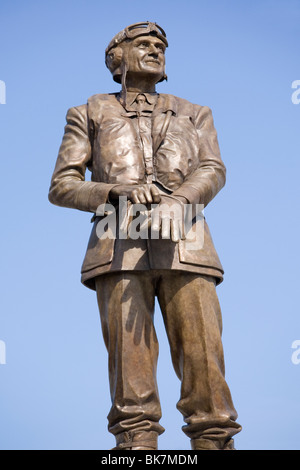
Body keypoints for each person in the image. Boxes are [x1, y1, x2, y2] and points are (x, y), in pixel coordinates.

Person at [48, 22, 241, 450]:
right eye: (143, 44)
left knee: (205, 364)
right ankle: (136, 448)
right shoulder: (88, 112)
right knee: (130, 374)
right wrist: (114, 191)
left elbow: (213, 169)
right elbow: (62, 185)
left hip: (187, 245)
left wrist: (181, 199)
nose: (155, 50)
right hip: (116, 249)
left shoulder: (195, 112)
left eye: (160, 46)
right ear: (117, 57)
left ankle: (215, 443)